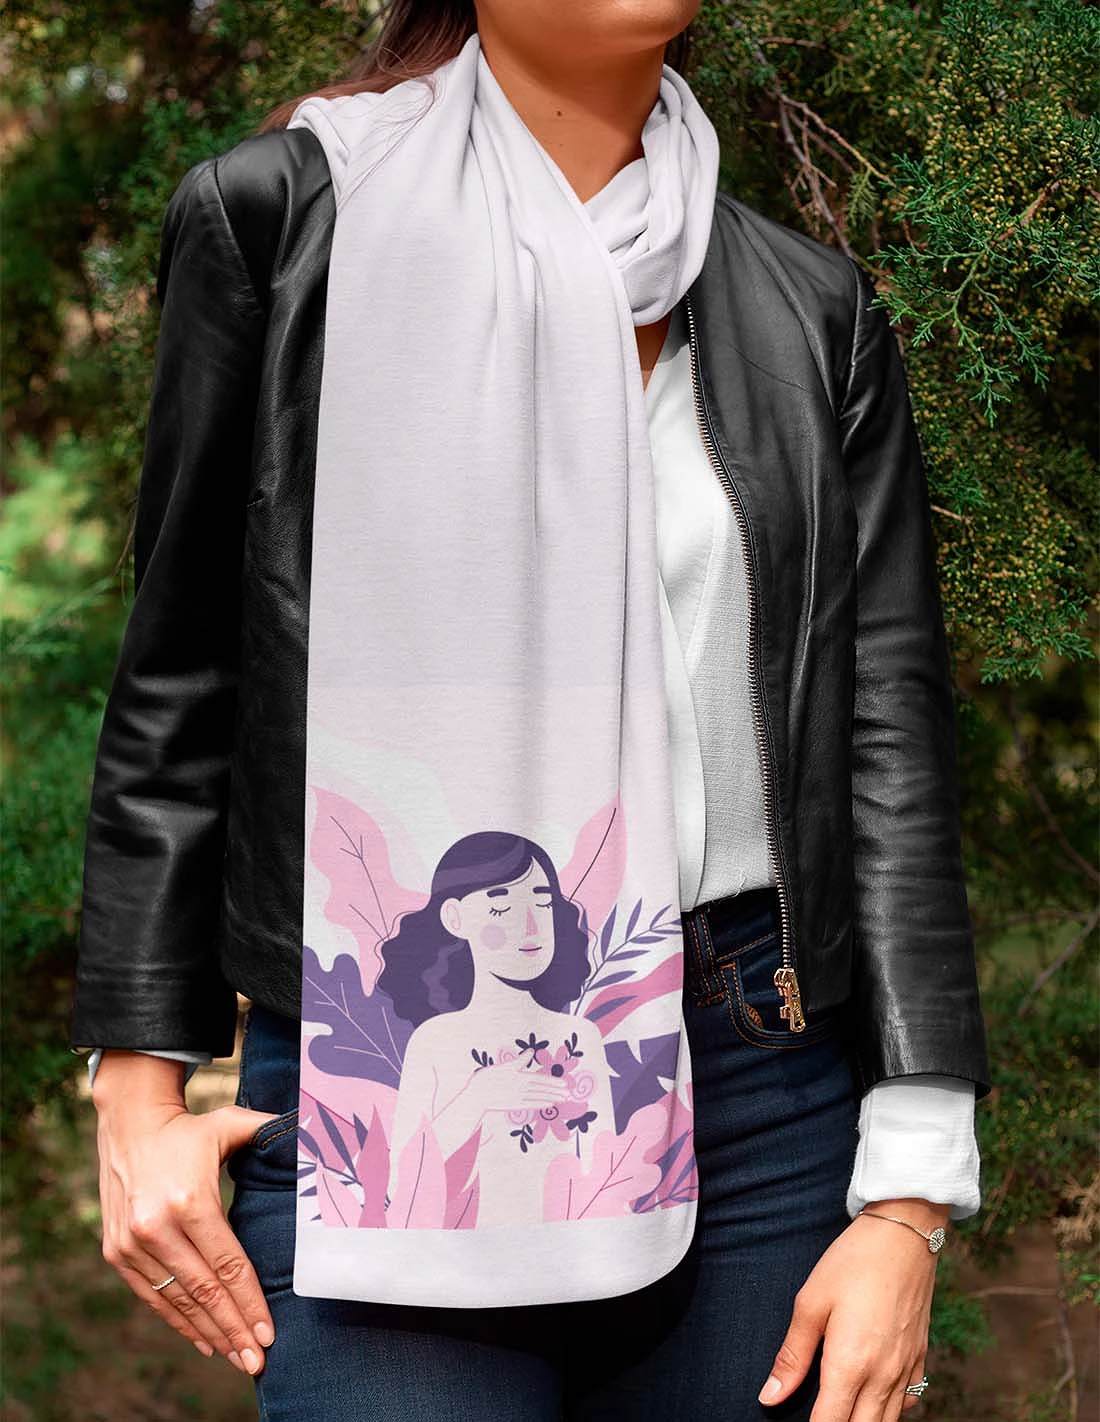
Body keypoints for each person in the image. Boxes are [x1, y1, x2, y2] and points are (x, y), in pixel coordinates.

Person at [70, 2, 991, 1419]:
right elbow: (183, 670)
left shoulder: (808, 306)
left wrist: (910, 1198)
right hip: (392, 1070)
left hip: (756, 1084)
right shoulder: (283, 221)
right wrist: (139, 1095)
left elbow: (891, 745)